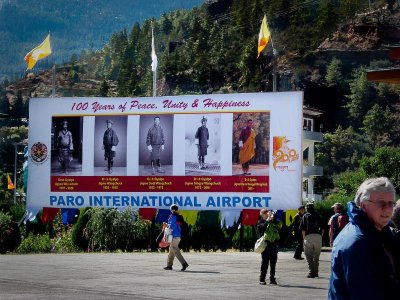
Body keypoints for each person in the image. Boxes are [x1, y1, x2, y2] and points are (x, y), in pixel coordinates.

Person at [329, 177, 400, 299]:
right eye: (381, 203)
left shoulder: (382, 232)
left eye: (391, 203)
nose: (388, 209)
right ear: (363, 205)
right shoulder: (357, 242)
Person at [257, 209, 282, 285]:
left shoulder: (273, 221)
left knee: (273, 263)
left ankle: (272, 279)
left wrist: (273, 219)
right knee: (265, 262)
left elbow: (280, 226)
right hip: (265, 244)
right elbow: (261, 228)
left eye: (267, 213)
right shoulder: (261, 222)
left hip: (273, 244)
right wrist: (267, 220)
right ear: (262, 214)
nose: (267, 214)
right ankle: (262, 279)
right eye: (265, 213)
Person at [300, 202, 324, 278]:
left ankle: (311, 272)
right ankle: (316, 272)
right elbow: (323, 229)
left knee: (308, 255)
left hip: (308, 237)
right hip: (318, 237)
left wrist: (304, 238)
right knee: (316, 256)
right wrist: (320, 237)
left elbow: (303, 229)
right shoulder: (318, 215)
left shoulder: (305, 216)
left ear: (307, 208)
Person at [163, 205, 189, 271]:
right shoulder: (178, 216)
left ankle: (178, 264)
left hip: (174, 236)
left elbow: (172, 226)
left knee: (173, 250)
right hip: (176, 236)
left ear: (172, 210)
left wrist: (167, 226)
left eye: (171, 210)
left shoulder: (174, 216)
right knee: (174, 251)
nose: (171, 211)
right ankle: (173, 265)